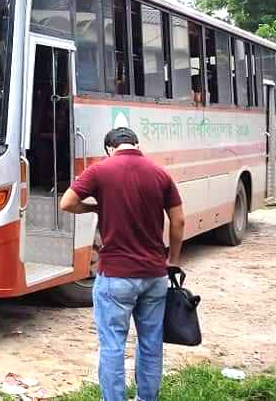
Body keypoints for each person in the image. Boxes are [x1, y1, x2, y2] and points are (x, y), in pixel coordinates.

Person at [59, 127, 186, 401]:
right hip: (154, 275)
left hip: (115, 276)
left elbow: (66, 203)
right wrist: (173, 261)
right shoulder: (160, 173)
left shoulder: (99, 171)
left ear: (109, 148)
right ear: (137, 145)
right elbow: (178, 221)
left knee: (113, 346)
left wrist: (94, 208)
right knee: (151, 343)